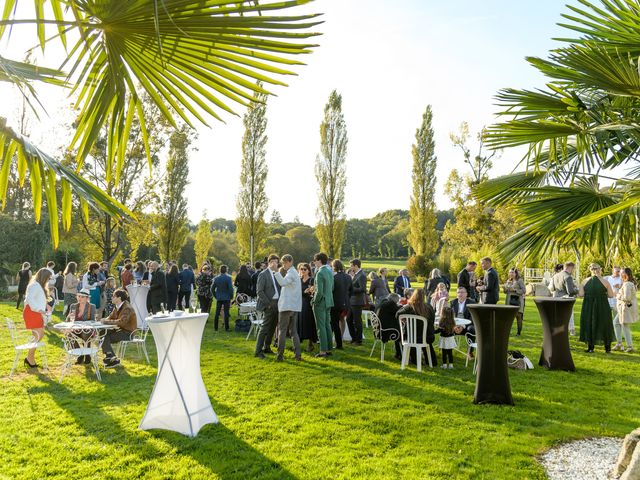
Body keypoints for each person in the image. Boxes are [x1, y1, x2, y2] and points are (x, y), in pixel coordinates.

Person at [579, 263, 615, 353]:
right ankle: (607, 348)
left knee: (589, 323)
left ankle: (590, 348)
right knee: (604, 324)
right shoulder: (605, 282)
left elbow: (581, 295)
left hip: (588, 306)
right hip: (602, 305)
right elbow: (611, 295)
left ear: (590, 270)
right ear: (600, 269)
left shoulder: (584, 281)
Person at [395, 288, 437, 366]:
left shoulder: (409, 307)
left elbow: (398, 314)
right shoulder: (429, 307)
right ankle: (431, 361)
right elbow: (432, 320)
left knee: (413, 337)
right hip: (428, 337)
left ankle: (415, 360)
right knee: (426, 342)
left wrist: (405, 320)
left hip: (412, 337)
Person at [273, 255, 302, 361]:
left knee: (282, 331)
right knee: (293, 332)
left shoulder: (291, 273)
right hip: (294, 306)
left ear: (290, 262)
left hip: (287, 307)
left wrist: (276, 271)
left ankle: (279, 355)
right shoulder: (294, 273)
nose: (283, 265)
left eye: (284, 262)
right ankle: (298, 354)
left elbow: (283, 283)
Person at [22, 268, 52, 368]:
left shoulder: (37, 285)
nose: (49, 280)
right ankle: (29, 358)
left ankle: (29, 358)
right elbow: (29, 299)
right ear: (44, 277)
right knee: (39, 335)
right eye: (48, 278)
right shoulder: (35, 285)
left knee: (37, 336)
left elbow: (36, 299)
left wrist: (44, 307)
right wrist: (39, 309)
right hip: (32, 312)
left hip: (35, 312)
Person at [101, 288, 138, 368]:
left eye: (113, 296)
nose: (111, 298)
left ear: (119, 298)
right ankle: (111, 357)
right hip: (120, 330)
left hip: (128, 333)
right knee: (102, 333)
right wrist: (104, 320)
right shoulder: (117, 306)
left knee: (105, 336)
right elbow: (110, 317)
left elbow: (122, 322)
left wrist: (105, 322)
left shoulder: (127, 308)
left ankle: (111, 358)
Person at [254, 255, 281, 358]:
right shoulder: (263, 274)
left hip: (277, 303)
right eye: (273, 261)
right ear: (269, 263)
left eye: (276, 261)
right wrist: (268, 304)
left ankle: (267, 347)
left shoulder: (276, 274)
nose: (275, 263)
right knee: (264, 328)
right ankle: (258, 351)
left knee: (272, 327)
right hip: (268, 304)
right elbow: (259, 291)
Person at [312, 252, 334, 358]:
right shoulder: (329, 271)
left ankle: (323, 350)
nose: (314, 262)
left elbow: (319, 292)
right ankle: (329, 348)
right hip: (329, 300)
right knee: (327, 325)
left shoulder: (320, 273)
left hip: (321, 302)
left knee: (321, 327)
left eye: (315, 260)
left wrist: (314, 301)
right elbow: (332, 287)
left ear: (319, 261)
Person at [67, 288, 98, 364]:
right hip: (76, 329)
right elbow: (68, 320)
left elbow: (93, 321)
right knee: (69, 335)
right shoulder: (73, 306)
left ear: (87, 298)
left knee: (85, 334)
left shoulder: (92, 306)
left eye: (82, 297)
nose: (80, 298)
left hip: (88, 329)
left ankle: (87, 355)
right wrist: (69, 317)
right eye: (79, 296)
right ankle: (80, 354)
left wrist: (84, 324)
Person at [550, 262, 579, 335]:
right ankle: (571, 330)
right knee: (569, 315)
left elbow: (552, 288)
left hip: (556, 298)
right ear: (570, 267)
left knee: (558, 316)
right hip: (565, 299)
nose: (573, 270)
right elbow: (570, 291)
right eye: (573, 268)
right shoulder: (568, 277)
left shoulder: (555, 275)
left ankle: (558, 331)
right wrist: (577, 290)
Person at [613, 267, 637, 353]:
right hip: (623, 309)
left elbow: (627, 298)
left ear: (625, 275)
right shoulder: (626, 283)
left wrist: (617, 295)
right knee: (616, 323)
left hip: (625, 309)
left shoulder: (627, 284)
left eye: (621, 272)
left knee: (625, 326)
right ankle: (619, 343)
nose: (619, 274)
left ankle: (629, 346)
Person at [331, 259, 352, 350]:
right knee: (341, 320)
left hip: (336, 303)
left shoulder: (334, 277)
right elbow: (352, 290)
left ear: (334, 267)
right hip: (346, 304)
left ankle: (338, 344)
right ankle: (340, 340)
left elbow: (332, 291)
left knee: (334, 323)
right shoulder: (348, 277)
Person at [298, 262, 318, 352]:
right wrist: (304, 292)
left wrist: (309, 291)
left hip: (308, 303)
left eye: (304, 269)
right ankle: (299, 341)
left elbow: (313, 291)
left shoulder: (312, 280)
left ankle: (310, 343)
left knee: (309, 322)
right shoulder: (299, 279)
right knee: (300, 321)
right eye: (301, 269)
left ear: (309, 270)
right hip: (299, 303)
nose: (302, 271)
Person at [375, 293, 401, 359]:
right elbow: (399, 311)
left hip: (378, 330)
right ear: (395, 300)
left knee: (401, 331)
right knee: (403, 334)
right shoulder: (390, 304)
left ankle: (399, 354)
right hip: (385, 332)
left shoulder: (384, 302)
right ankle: (400, 354)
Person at [347, 258, 367, 346]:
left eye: (351, 266)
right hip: (352, 301)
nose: (350, 267)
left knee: (357, 321)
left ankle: (359, 340)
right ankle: (354, 338)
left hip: (357, 301)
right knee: (349, 320)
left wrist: (351, 289)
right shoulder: (356, 274)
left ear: (356, 265)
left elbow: (362, 289)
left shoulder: (361, 275)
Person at [503, 268, 526, 336]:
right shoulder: (508, 281)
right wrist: (504, 289)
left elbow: (524, 291)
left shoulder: (520, 280)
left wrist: (515, 290)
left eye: (512, 272)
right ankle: (507, 331)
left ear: (516, 273)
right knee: (508, 317)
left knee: (518, 317)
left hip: (517, 300)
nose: (511, 274)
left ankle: (518, 333)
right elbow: (506, 292)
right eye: (509, 272)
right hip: (509, 300)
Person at [212, 265, 234, 331]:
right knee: (226, 313)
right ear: (226, 270)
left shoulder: (216, 278)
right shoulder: (228, 278)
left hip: (219, 297)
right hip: (226, 297)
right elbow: (231, 289)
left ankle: (215, 328)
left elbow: (212, 289)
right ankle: (227, 328)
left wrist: (216, 296)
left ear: (220, 270)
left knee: (217, 312)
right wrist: (231, 296)